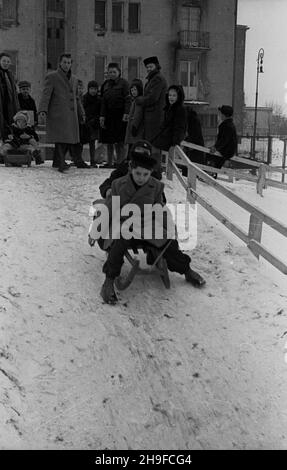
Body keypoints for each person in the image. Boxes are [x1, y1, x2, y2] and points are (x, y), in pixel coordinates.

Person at [89, 142, 206, 304]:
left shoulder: (156, 186)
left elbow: (159, 208)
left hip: (146, 225)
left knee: (168, 243)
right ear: (131, 168)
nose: (141, 178)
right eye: (138, 173)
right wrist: (97, 230)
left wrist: (166, 229)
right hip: (125, 225)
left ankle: (186, 269)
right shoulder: (118, 184)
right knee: (119, 242)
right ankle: (108, 281)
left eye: (145, 174)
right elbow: (109, 208)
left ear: (151, 173)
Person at [38, 53, 88, 172]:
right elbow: (46, 95)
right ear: (60, 63)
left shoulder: (75, 79)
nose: (67, 65)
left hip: (71, 114)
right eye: (64, 62)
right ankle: (60, 162)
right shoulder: (52, 77)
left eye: (69, 62)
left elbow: (76, 97)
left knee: (68, 138)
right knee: (61, 138)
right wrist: (42, 110)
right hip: (58, 113)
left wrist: (81, 112)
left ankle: (58, 161)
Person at [98, 140, 166, 203]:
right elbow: (107, 184)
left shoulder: (153, 175)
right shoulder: (123, 169)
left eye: (145, 153)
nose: (141, 177)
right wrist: (108, 190)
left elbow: (161, 199)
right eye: (138, 152)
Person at [134, 56, 167, 178]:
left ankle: (156, 172)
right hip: (151, 117)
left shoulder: (157, 79)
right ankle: (153, 170)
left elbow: (153, 98)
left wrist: (139, 100)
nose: (148, 69)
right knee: (152, 145)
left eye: (151, 66)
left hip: (155, 117)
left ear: (156, 66)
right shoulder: (154, 78)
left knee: (154, 146)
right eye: (147, 67)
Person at [100, 63, 131, 168]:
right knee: (109, 141)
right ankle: (109, 162)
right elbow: (103, 101)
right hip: (109, 115)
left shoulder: (124, 84)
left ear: (119, 72)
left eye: (114, 72)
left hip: (120, 115)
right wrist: (102, 116)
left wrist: (126, 113)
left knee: (120, 141)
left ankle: (120, 163)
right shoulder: (105, 85)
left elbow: (128, 99)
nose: (112, 74)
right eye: (110, 72)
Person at [153, 85, 187, 151]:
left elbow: (179, 128)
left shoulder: (180, 110)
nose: (171, 98)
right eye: (170, 95)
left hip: (170, 142)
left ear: (178, 97)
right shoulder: (168, 108)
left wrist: (175, 144)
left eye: (174, 95)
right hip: (164, 140)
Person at [208, 105, 238, 175]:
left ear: (224, 115)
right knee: (214, 162)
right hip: (227, 150)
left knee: (209, 158)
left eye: (221, 113)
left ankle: (210, 175)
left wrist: (215, 147)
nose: (220, 115)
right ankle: (211, 174)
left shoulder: (227, 125)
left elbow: (224, 140)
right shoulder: (229, 124)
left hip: (226, 151)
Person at [0, 52, 19, 142]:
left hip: (9, 106)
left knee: (8, 131)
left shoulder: (10, 75)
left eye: (8, 61)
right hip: (1, 104)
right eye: (4, 61)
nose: (6, 63)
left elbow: (14, 92)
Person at [83, 80, 102, 167]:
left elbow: (100, 111)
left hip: (94, 123)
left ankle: (92, 160)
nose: (93, 91)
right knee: (81, 141)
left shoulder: (99, 99)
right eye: (91, 89)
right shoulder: (85, 98)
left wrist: (95, 120)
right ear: (88, 89)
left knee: (92, 143)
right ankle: (77, 159)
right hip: (85, 123)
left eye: (95, 89)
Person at [124, 79, 144, 155]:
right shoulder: (135, 100)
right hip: (133, 128)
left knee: (134, 148)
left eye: (135, 90)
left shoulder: (138, 101)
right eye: (132, 90)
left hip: (135, 129)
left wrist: (134, 126)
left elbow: (138, 114)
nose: (133, 92)